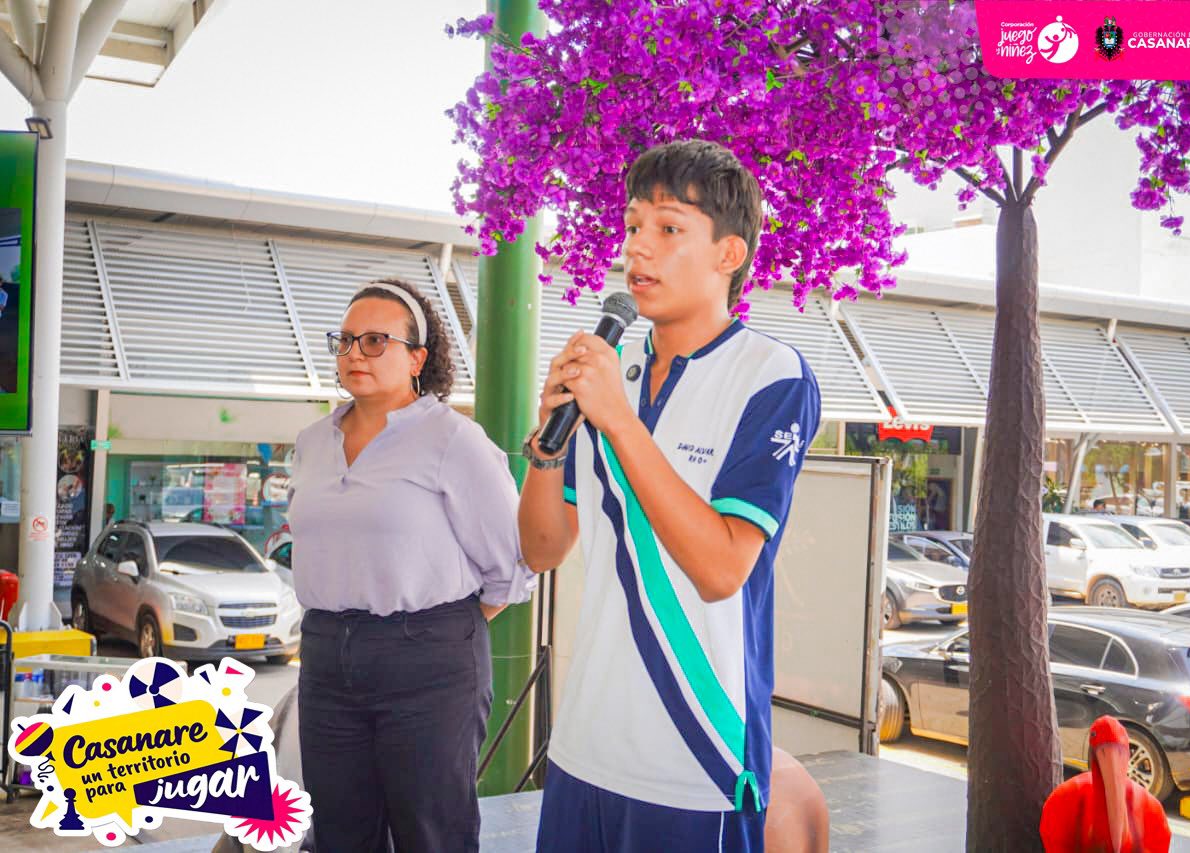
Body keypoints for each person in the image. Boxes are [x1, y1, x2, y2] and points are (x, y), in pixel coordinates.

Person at [519, 140, 822, 852]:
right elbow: (541, 548)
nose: (637, 247)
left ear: (729, 254)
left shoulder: (771, 375)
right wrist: (547, 444)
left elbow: (721, 569)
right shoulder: (610, 366)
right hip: (582, 745)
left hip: (696, 759)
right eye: (632, 226)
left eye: (668, 228)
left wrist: (619, 422)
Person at [287, 278, 532, 852]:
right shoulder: (312, 441)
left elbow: (511, 568)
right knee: (339, 835)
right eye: (345, 340)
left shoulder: (453, 439)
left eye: (376, 341)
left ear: (417, 358)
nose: (355, 354)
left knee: (431, 835)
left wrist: (424, 634)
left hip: (430, 661)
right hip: (326, 656)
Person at [1040, 716, 1170, 853]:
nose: (1112, 764)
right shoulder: (1061, 804)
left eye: (1119, 753)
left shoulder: (1152, 814)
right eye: (1104, 751)